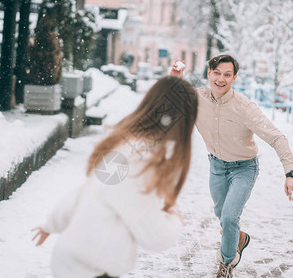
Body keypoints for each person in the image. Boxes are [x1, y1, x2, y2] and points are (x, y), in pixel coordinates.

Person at [32, 76, 198, 278]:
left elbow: (84, 193)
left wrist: (51, 224)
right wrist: (175, 221)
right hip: (91, 269)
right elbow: (153, 236)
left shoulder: (126, 146)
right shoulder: (141, 163)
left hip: (71, 261)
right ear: (185, 120)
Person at [170, 55, 293, 278]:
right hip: (217, 166)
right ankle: (238, 238)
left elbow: (277, 138)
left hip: (244, 168)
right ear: (209, 74)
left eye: (227, 75)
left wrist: (291, 173)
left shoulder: (244, 107)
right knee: (223, 217)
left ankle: (226, 264)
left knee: (230, 217)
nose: (221, 79)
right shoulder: (197, 98)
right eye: (217, 73)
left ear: (234, 78)